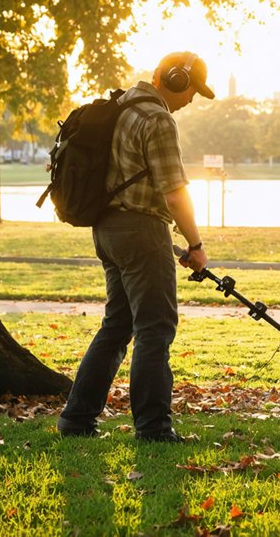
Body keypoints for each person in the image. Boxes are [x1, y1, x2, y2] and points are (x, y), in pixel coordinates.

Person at [57, 51, 213, 442]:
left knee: (117, 326)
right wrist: (195, 244)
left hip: (108, 230)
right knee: (155, 329)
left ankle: (76, 419)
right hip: (141, 233)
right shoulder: (157, 118)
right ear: (174, 79)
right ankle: (154, 428)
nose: (191, 98)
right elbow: (174, 192)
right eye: (191, 89)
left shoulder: (122, 106)